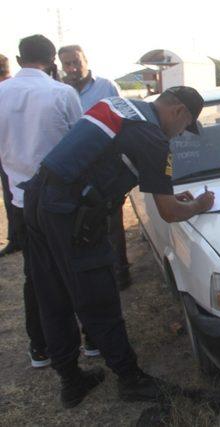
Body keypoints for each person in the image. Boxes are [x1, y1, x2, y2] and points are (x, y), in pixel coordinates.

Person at [22, 86, 214, 408]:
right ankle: (131, 379)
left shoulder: (121, 106)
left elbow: (102, 157)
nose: (181, 134)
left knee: (51, 293)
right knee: (97, 296)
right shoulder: (153, 138)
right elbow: (168, 213)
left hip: (40, 197)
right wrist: (199, 205)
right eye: (186, 126)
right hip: (71, 216)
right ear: (178, 111)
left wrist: (170, 196)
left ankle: (70, 381)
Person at [0, 35, 83, 368]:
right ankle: (90, 341)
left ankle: (41, 346)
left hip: (20, 200)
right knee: (75, 269)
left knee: (35, 275)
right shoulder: (63, 93)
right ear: (52, 60)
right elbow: (81, 144)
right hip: (62, 199)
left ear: (19, 60)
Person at [58, 44, 131, 291]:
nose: (72, 68)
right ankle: (93, 276)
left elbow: (125, 120)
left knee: (111, 220)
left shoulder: (106, 86)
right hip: (74, 168)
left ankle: (120, 274)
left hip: (104, 165)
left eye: (76, 61)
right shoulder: (59, 90)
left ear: (86, 60)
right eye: (66, 63)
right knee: (81, 222)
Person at [0, 53, 20, 257]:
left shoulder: (5, 91)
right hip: (19, 153)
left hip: (10, 154)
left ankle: (18, 238)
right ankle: (17, 237)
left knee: (13, 196)